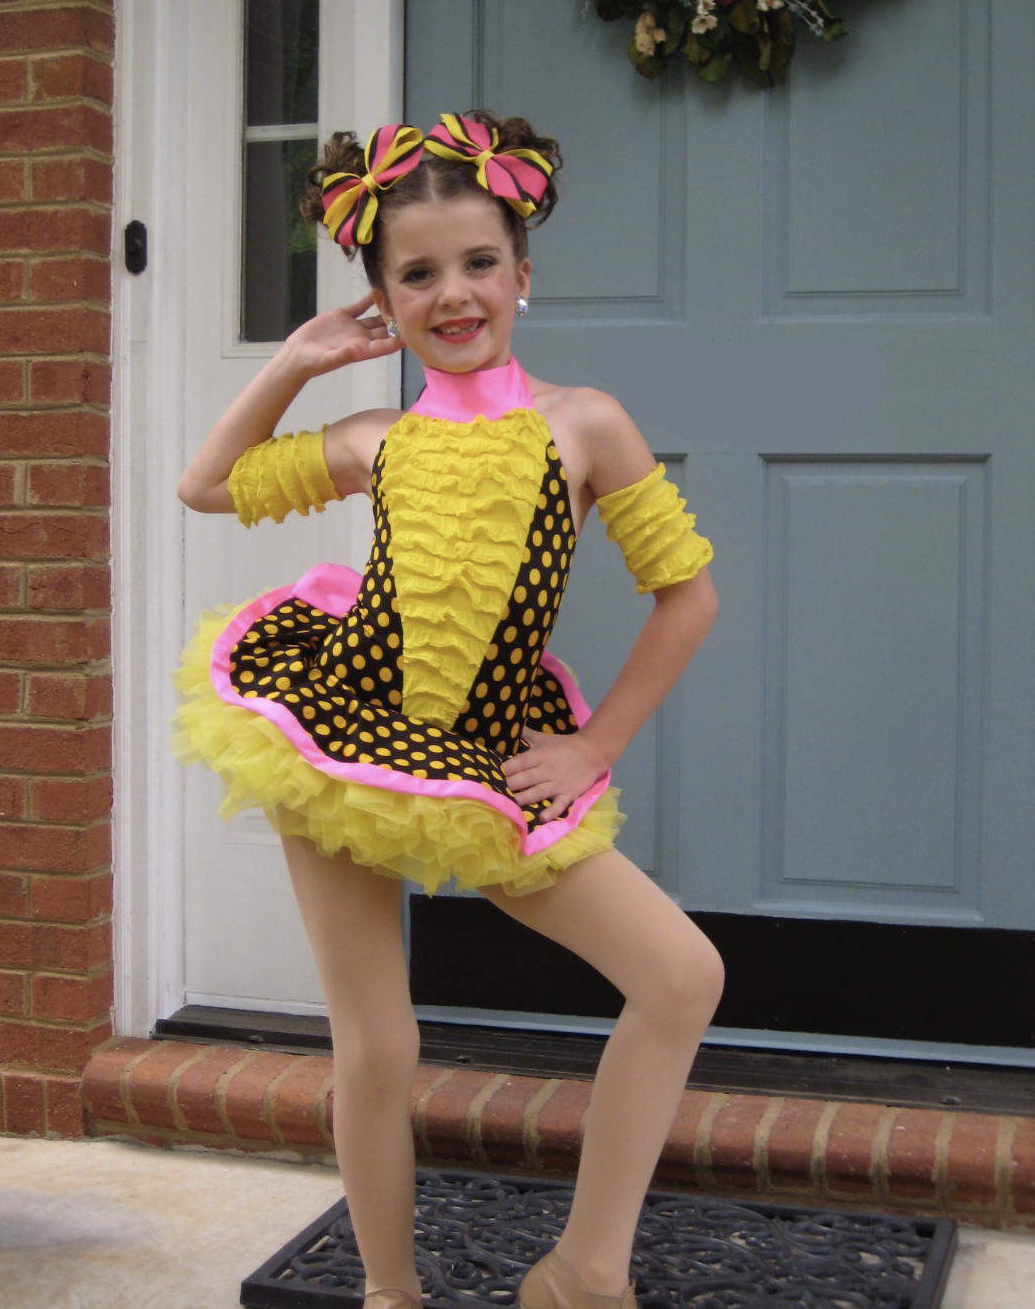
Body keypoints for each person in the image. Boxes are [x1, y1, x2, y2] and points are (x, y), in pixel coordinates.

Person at [174, 112, 725, 1309]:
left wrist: (593, 743)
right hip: (339, 737)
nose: (453, 292)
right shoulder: (375, 438)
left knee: (680, 976)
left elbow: (686, 596)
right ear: (383, 300)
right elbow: (205, 484)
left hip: (481, 761)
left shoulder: (584, 423)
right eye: (416, 274)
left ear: (522, 273)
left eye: (478, 261)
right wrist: (295, 361)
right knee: (378, 1041)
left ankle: (584, 1269)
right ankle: (389, 1292)